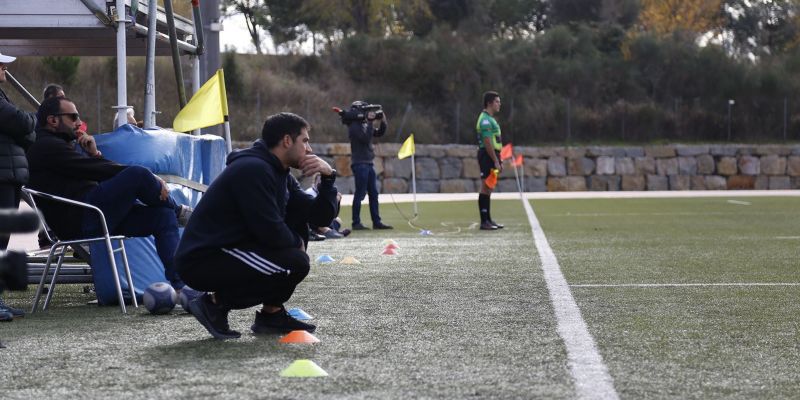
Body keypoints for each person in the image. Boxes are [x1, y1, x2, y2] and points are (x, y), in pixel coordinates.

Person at [175, 112, 338, 340]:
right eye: (305, 141)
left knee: (297, 225)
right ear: (287, 140)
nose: (309, 149)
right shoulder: (253, 169)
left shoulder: (280, 173)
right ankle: (213, 304)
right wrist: (296, 244)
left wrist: (329, 179)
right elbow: (268, 229)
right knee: (295, 262)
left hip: (233, 249)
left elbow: (317, 217)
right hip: (204, 257)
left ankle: (272, 315)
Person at [26, 96, 192, 291]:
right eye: (73, 117)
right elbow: (94, 170)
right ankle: (179, 211)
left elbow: (92, 170)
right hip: (84, 218)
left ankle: (182, 287)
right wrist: (151, 178)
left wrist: (94, 154)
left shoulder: (57, 145)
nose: (79, 123)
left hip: (95, 213)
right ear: (53, 120)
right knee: (138, 174)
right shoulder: (45, 146)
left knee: (162, 217)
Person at [0, 50, 35, 321]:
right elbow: (23, 123)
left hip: (8, 175)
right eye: (1, 65)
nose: (5, 69)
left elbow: (25, 130)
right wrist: (30, 122)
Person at [348, 101, 392, 230]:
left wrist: (383, 122)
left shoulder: (364, 124)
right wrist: (371, 122)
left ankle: (376, 222)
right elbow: (365, 138)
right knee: (360, 194)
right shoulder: (353, 126)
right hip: (359, 163)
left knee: (374, 194)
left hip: (368, 163)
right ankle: (356, 223)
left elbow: (378, 133)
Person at [476, 91, 504, 231]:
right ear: (489, 103)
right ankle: (484, 221)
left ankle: (488, 219)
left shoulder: (490, 119)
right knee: (485, 186)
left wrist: (499, 159)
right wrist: (495, 160)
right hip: (487, 155)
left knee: (489, 187)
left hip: (493, 155)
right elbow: (487, 142)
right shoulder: (485, 120)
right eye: (497, 101)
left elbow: (495, 141)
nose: (499, 104)